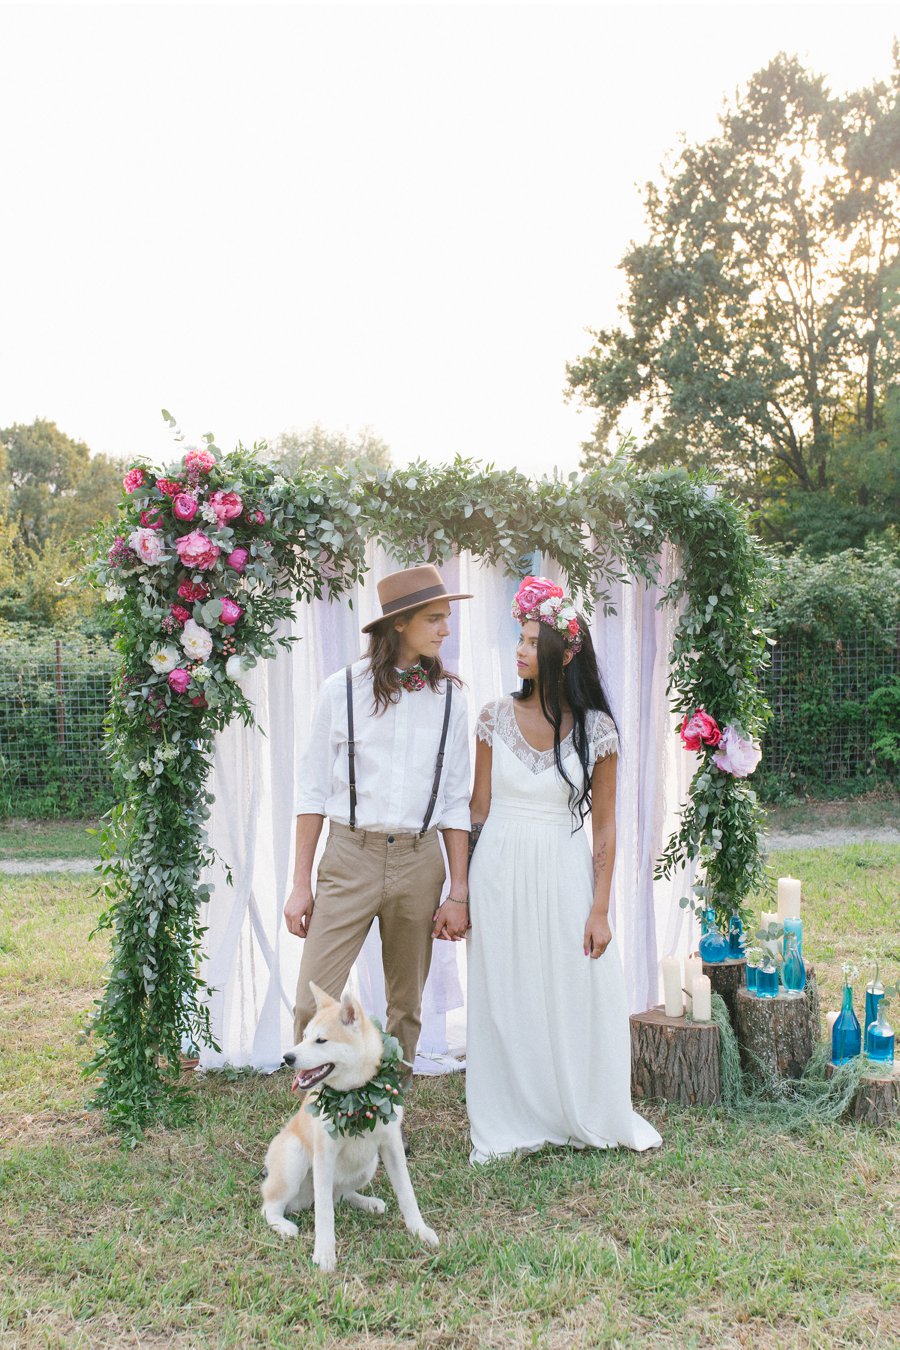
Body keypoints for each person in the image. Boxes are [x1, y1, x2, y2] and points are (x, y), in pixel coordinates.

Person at [465, 575, 662, 1163]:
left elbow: (605, 827)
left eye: (530, 641)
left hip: (565, 868)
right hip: (498, 867)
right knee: (507, 991)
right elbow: (477, 810)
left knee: (575, 988)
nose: (520, 650)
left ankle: (578, 1105)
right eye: (519, 639)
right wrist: (462, 889)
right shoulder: (493, 718)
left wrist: (600, 908)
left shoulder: (597, 729)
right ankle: (513, 1115)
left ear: (564, 652)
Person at [285, 564, 472, 1083]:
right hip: (349, 856)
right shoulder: (340, 689)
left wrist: (458, 890)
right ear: (399, 624)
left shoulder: (452, 699)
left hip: (419, 861)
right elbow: (311, 793)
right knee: (309, 1000)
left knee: (406, 1006)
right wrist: (301, 884)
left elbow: (457, 800)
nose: (445, 630)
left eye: (446, 619)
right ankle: (322, 1114)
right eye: (435, 619)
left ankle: (387, 1110)